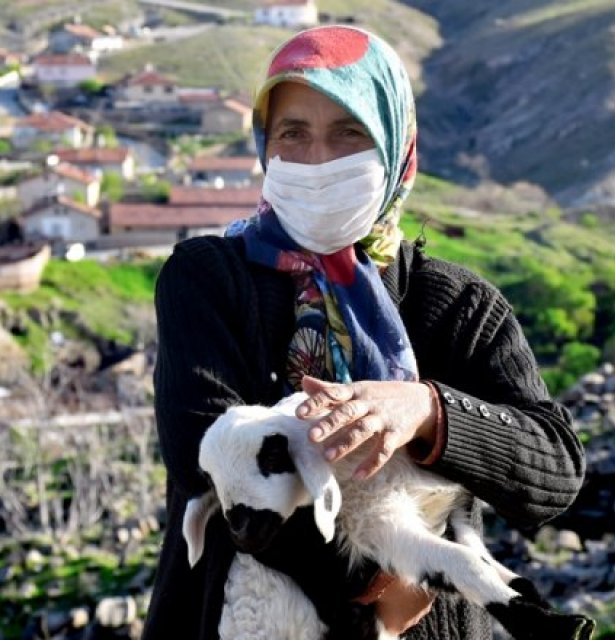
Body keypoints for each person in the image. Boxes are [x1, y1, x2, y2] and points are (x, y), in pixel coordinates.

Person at [142, 25, 587, 640]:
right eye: (293, 134)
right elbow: (213, 459)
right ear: (264, 145)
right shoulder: (208, 279)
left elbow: (555, 468)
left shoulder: (457, 303)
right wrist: (375, 587)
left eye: (349, 134)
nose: (318, 160)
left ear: (395, 146)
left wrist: (428, 411)